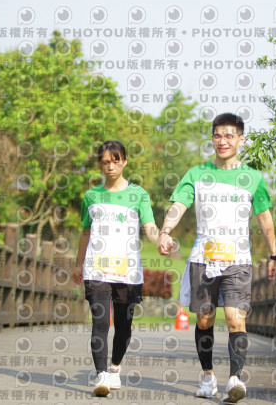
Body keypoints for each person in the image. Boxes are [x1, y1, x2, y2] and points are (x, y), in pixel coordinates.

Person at [158, 113, 276, 403]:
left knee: (236, 319)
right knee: (204, 319)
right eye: (217, 135)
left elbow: (264, 217)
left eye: (228, 136)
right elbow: (179, 205)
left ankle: (235, 379)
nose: (222, 141)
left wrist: (274, 253)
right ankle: (207, 376)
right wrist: (165, 231)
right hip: (204, 257)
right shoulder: (197, 174)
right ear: (212, 139)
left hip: (238, 259)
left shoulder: (252, 178)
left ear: (241, 139)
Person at [74, 140, 160, 397]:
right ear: (100, 164)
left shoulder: (139, 195)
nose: (110, 166)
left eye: (115, 161)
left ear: (124, 161)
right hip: (96, 268)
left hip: (128, 271)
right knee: (100, 321)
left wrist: (161, 240)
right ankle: (101, 375)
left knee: (123, 325)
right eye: (105, 162)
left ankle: (114, 368)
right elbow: (85, 232)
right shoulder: (91, 196)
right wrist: (78, 264)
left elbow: (149, 226)